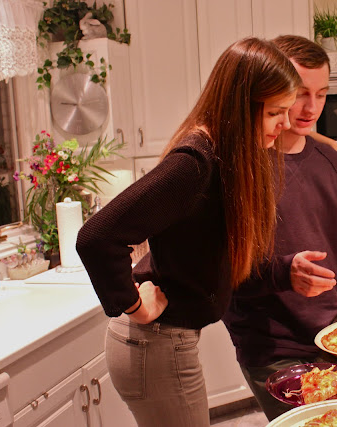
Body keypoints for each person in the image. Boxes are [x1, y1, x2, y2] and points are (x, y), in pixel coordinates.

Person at [75, 37, 302, 427]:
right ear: (240, 106)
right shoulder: (194, 163)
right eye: (275, 113)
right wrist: (134, 305)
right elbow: (97, 237)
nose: (286, 124)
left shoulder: (224, 153)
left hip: (164, 342)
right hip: (156, 342)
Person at [222, 35, 337, 421]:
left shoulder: (329, 159)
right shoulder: (243, 166)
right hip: (272, 346)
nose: (312, 108)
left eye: (322, 94)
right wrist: (287, 272)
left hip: (335, 334)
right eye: (300, 93)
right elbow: (225, 269)